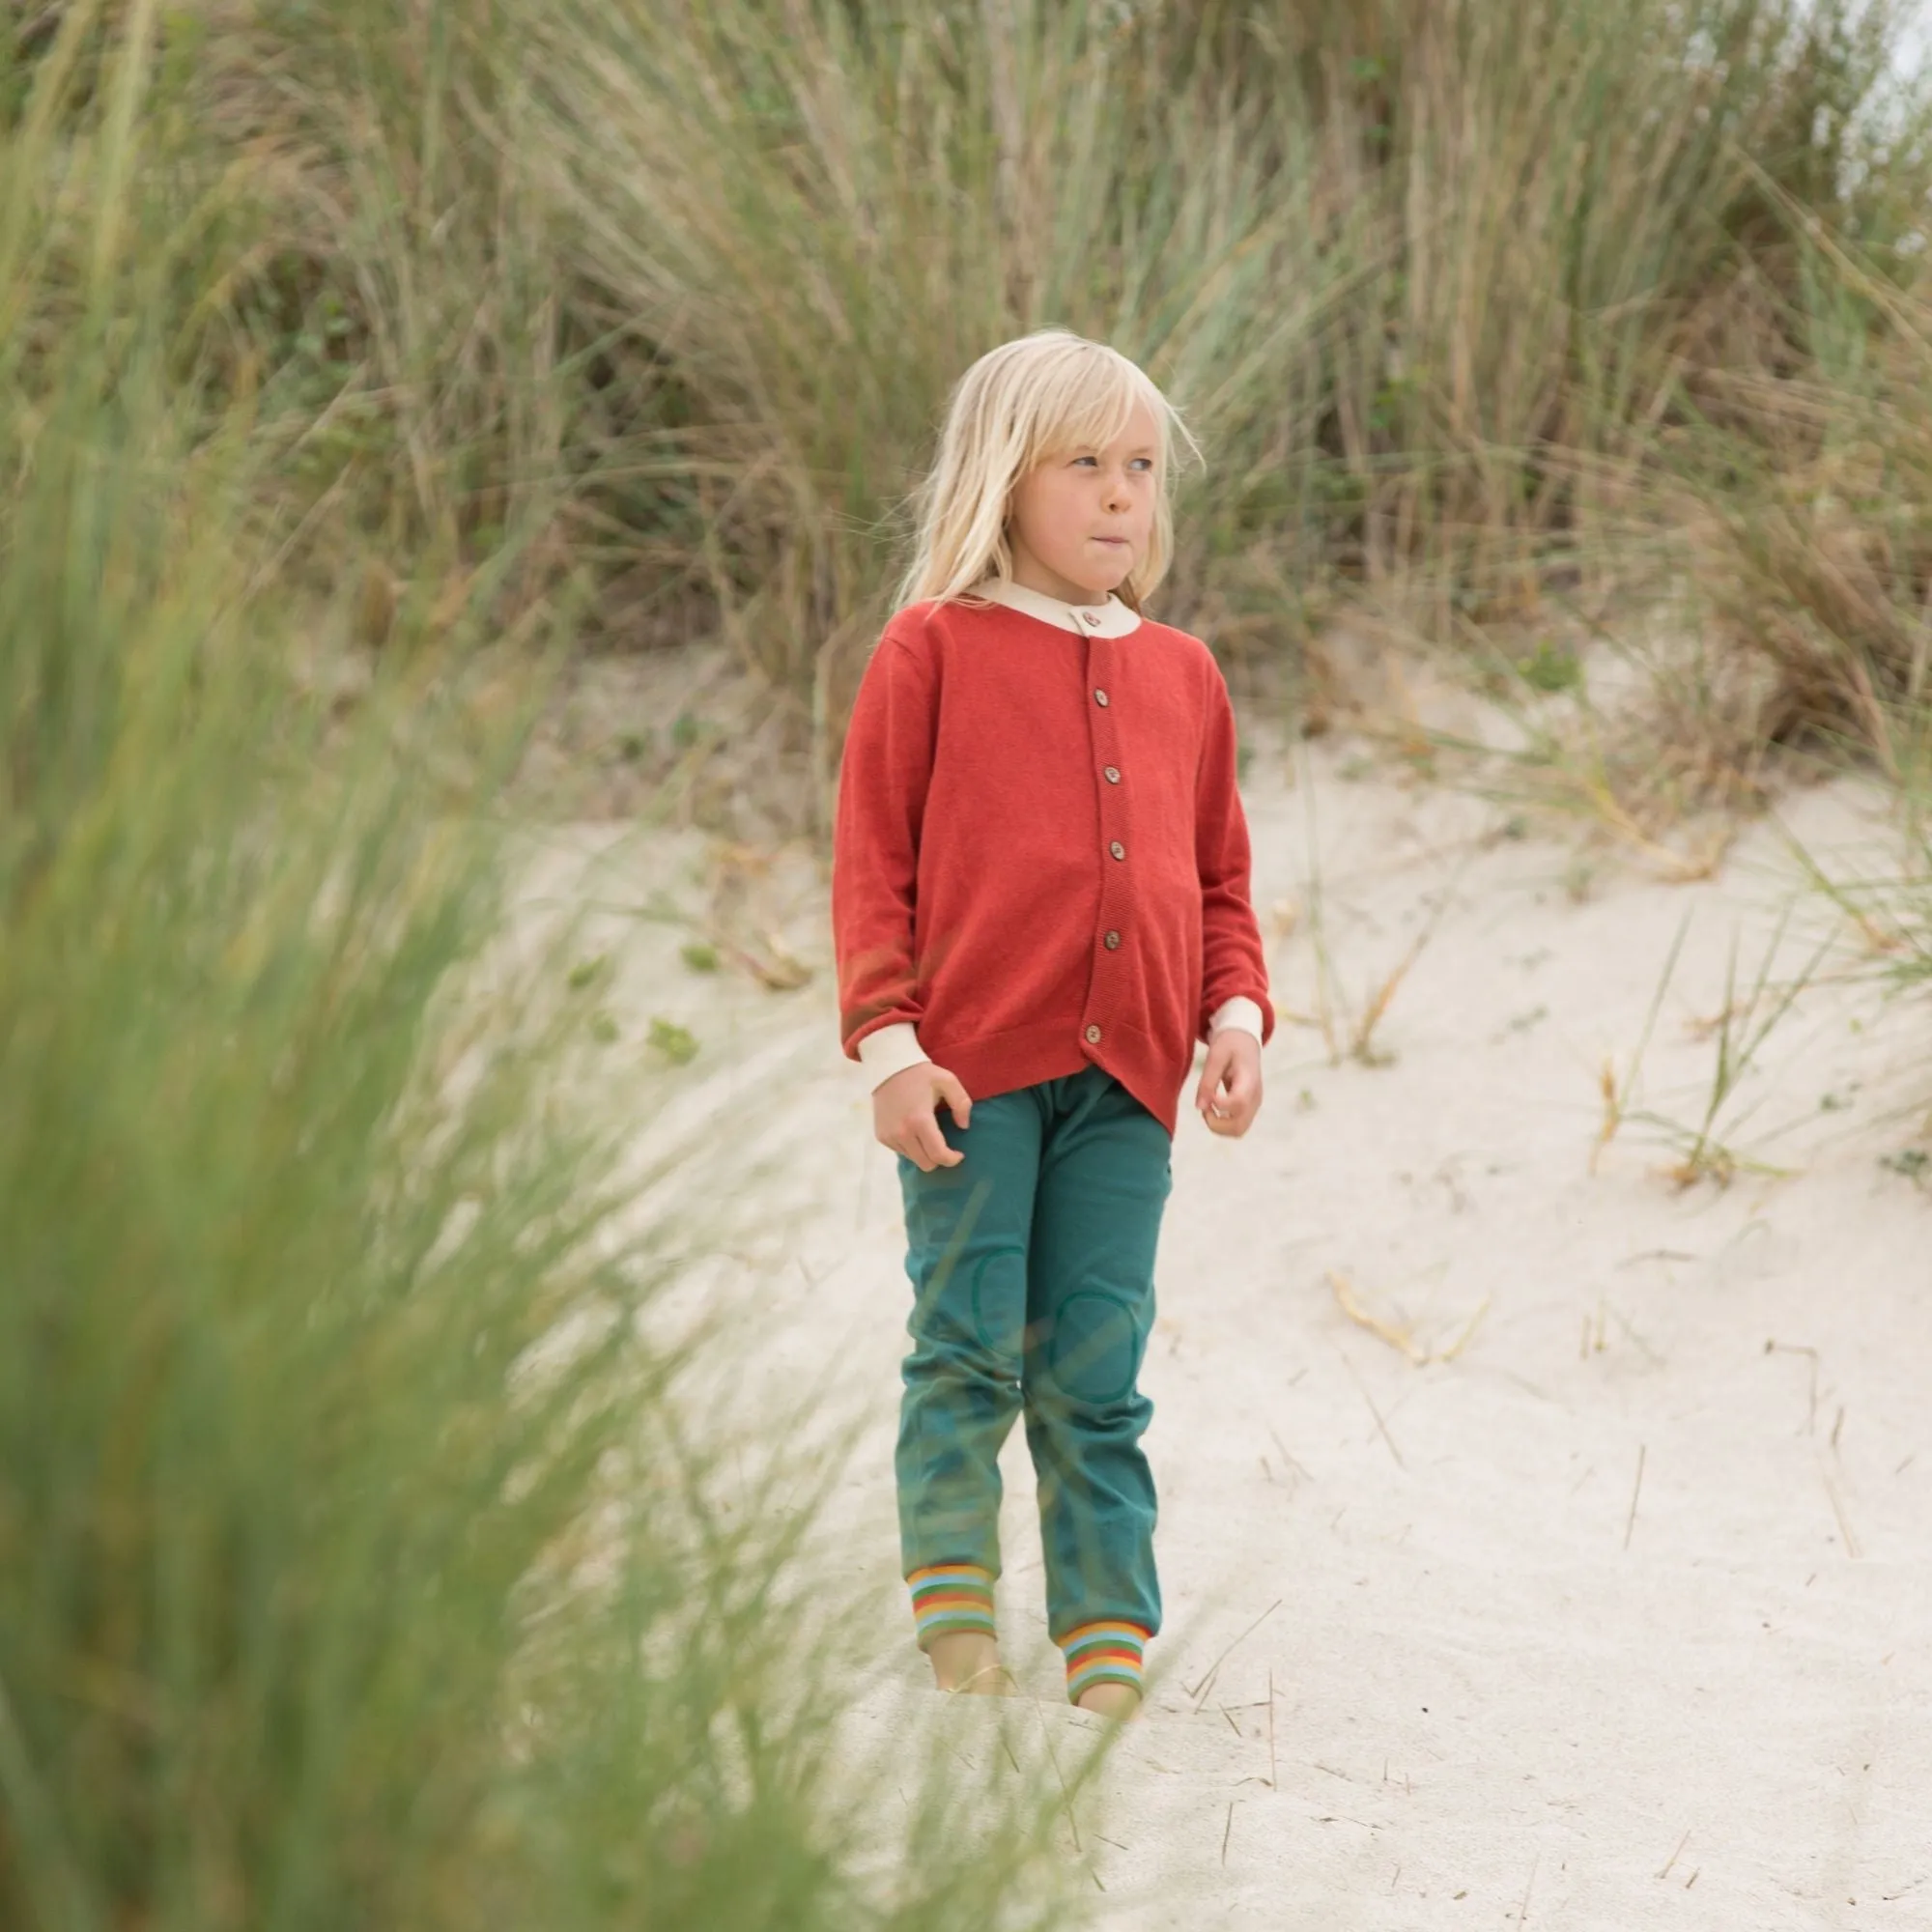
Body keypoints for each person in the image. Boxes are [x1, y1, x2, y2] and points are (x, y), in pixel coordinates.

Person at [831, 329, 1273, 1720]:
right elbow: (871, 868)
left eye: (1139, 466)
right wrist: (890, 1047)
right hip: (967, 1074)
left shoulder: (1184, 674)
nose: (1119, 494)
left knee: (1095, 1360)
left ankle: (1104, 1640)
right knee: (964, 1342)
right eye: (1084, 464)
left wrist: (1237, 1011)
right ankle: (957, 1617)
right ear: (1003, 478)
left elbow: (1219, 877)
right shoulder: (930, 651)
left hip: (1130, 1081)